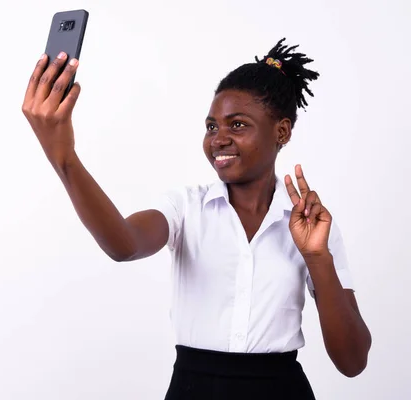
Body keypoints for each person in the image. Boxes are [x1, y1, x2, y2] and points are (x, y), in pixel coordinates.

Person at [21, 38, 372, 399]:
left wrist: (317, 258)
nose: (218, 139)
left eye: (237, 125)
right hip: (193, 389)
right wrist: (65, 159)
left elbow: (352, 361)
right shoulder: (185, 208)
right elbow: (124, 245)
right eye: (211, 127)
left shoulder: (313, 227)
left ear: (281, 131)